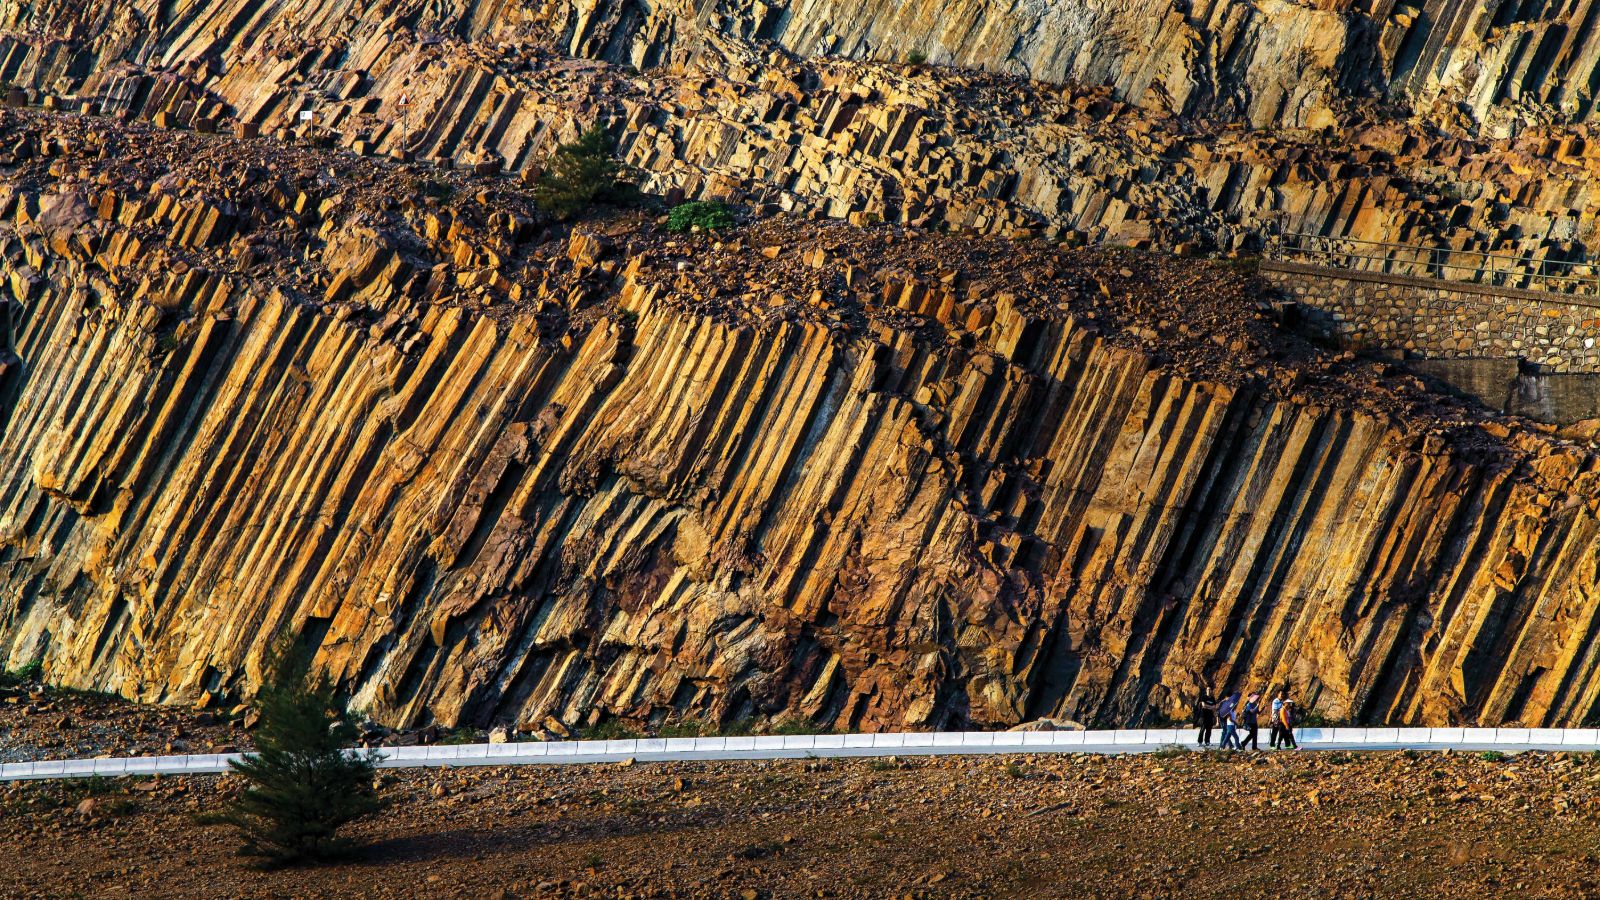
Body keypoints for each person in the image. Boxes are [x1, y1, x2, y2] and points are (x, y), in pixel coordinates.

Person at [1194, 681, 1216, 747]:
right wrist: (1210, 707)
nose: (1209, 691)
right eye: (1207, 690)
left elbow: (1215, 707)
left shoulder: (1212, 698)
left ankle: (1207, 742)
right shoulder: (1204, 697)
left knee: (1209, 730)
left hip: (1210, 716)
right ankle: (1199, 742)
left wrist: (1208, 707)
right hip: (1204, 716)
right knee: (1202, 729)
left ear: (1211, 691)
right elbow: (1203, 705)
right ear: (1206, 691)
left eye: (1210, 690)